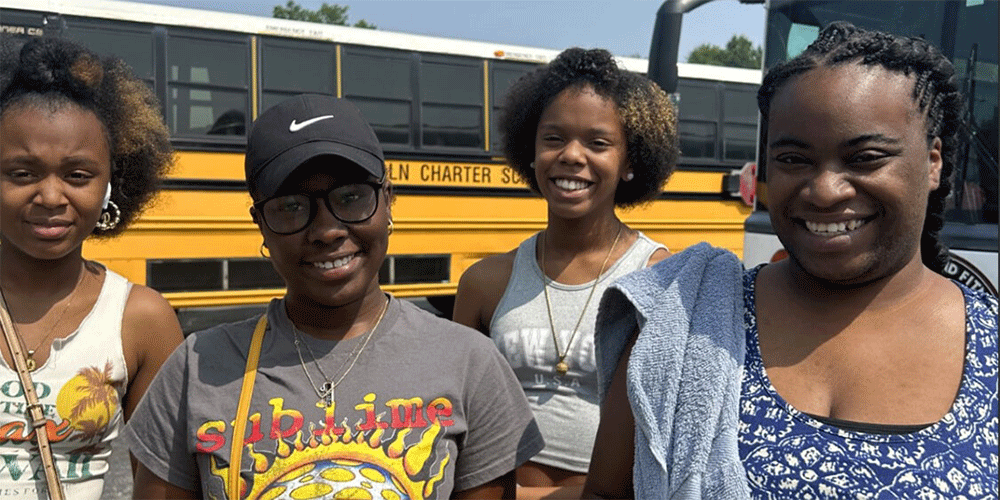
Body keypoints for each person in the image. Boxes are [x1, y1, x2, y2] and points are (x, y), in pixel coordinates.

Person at [584, 22, 998, 499]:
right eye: (793, 159)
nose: (824, 191)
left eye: (865, 157)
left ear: (933, 162)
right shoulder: (685, 323)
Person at [124, 94, 544, 499]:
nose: (327, 229)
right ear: (261, 224)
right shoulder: (196, 370)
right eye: (291, 206)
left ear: (388, 200)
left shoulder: (471, 364)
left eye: (351, 197)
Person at [453, 47, 678, 490]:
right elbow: (456, 415)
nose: (572, 156)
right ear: (530, 151)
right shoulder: (485, 283)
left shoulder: (660, 279)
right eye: (553, 139)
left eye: (598, 143)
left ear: (631, 161)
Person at [0, 37, 183, 498]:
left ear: (110, 184)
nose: (50, 197)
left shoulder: (141, 319)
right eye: (22, 173)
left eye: (78, 175)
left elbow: (163, 485)